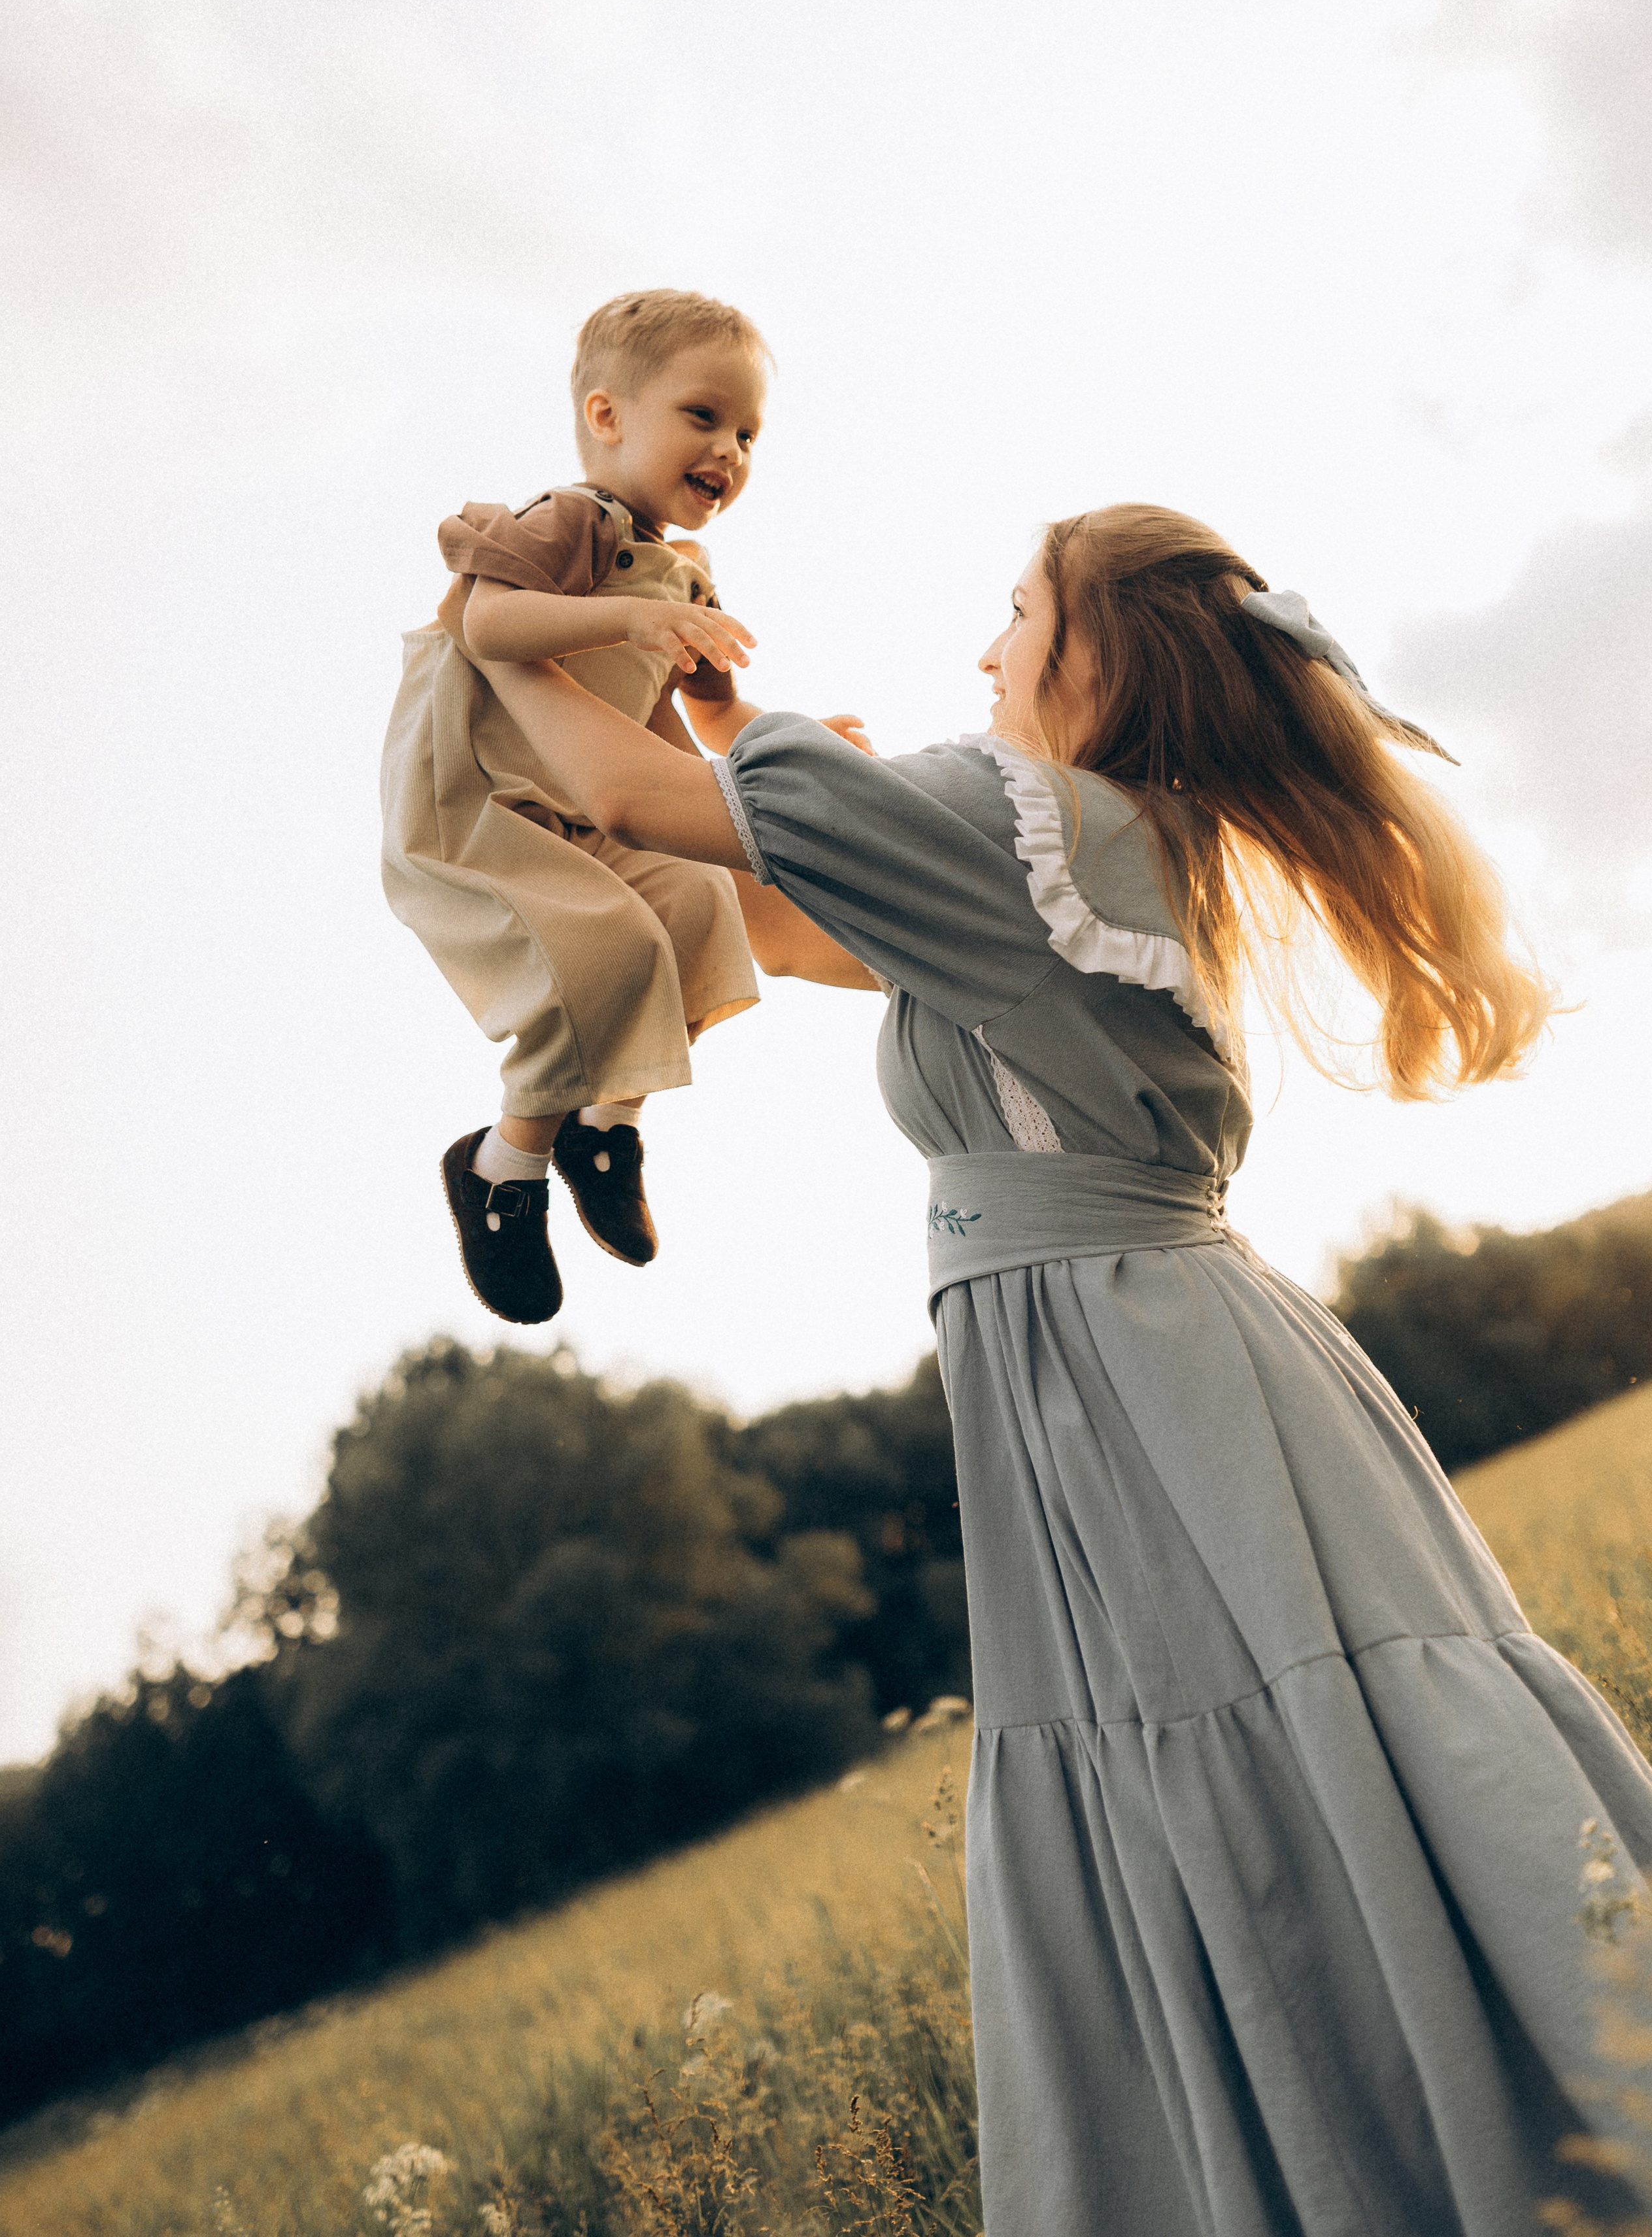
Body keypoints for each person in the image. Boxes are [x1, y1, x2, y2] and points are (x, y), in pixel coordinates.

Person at [460, 500, 1652, 2236]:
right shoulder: (1099, 847)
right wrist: (698, 696)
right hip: (1149, 1370)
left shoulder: (1021, 824)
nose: (985, 650)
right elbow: (786, 925)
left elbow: (626, 803)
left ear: (1095, 660)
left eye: (1015, 613)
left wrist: (531, 620)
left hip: (1135, 1388)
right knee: (1280, 1798)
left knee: (1258, 1807)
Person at [380, 288, 869, 1327]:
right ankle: (503, 1169)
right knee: (607, 950)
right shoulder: (568, 524)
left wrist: (802, 750)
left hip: (579, 815)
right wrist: (628, 616)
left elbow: (684, 734)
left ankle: (607, 1125)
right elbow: (491, 621)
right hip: (478, 803)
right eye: (704, 418)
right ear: (609, 418)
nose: (730, 451)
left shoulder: (682, 580)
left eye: (748, 433)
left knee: (698, 907)